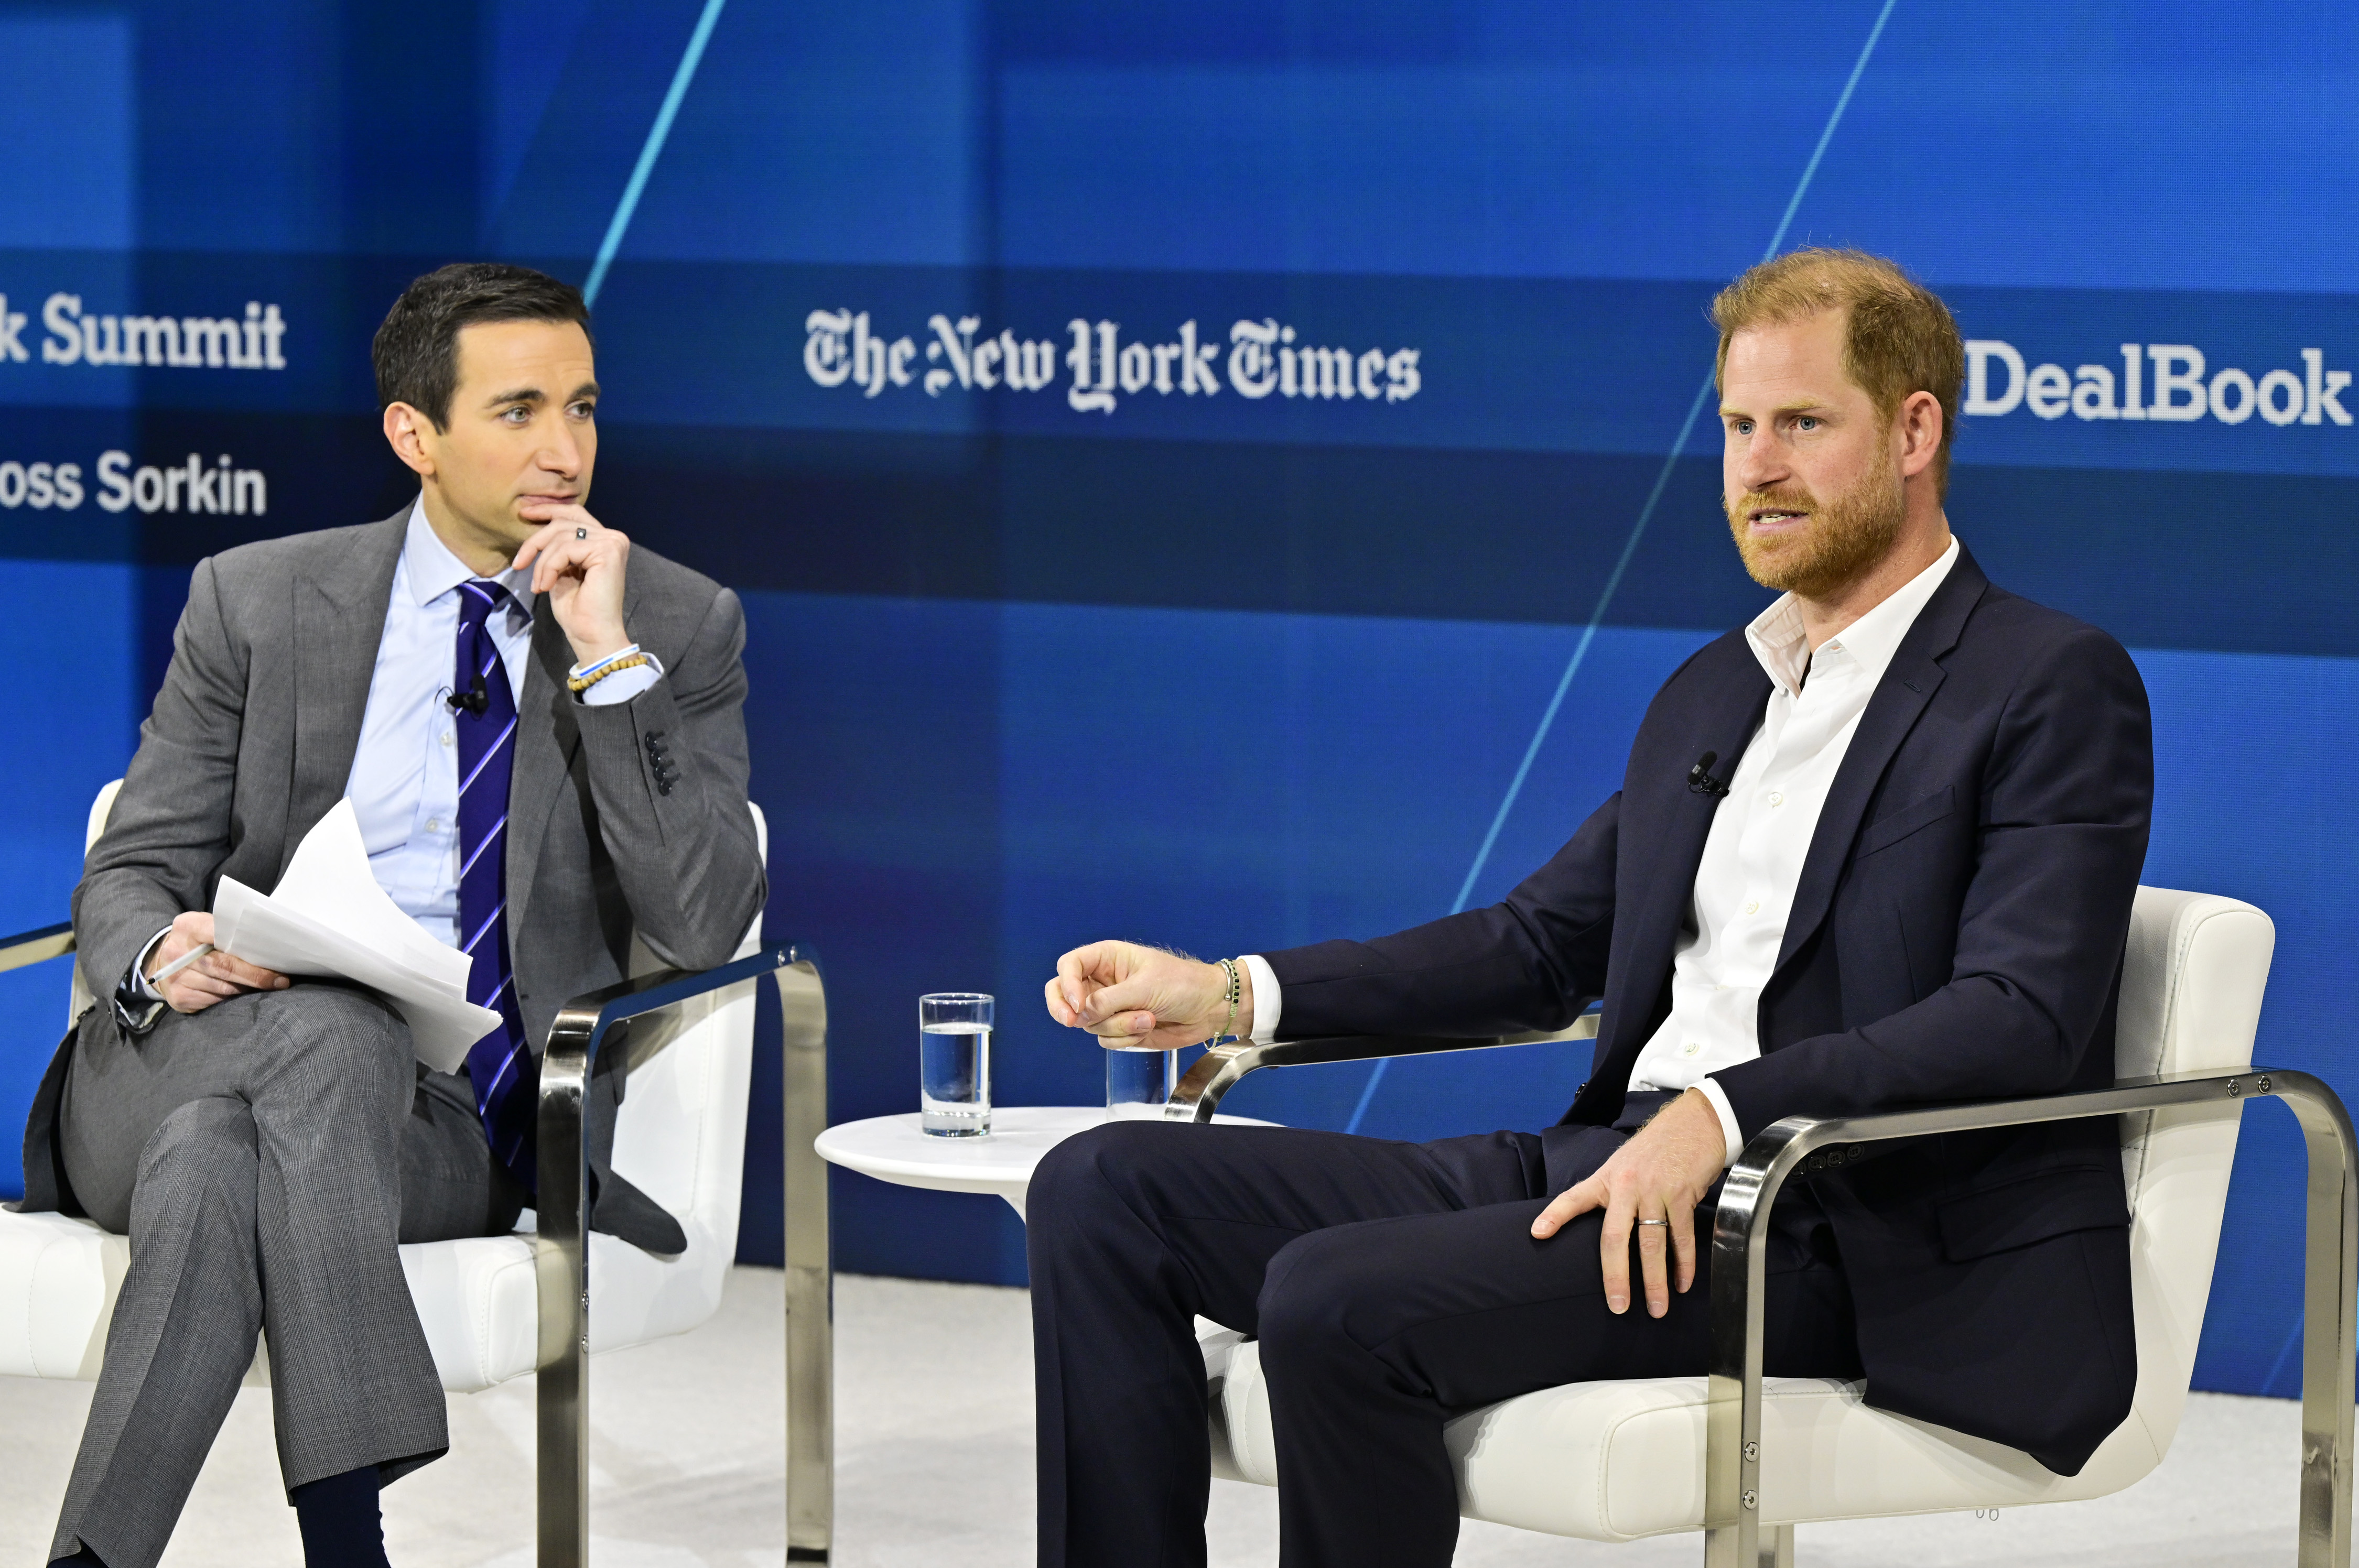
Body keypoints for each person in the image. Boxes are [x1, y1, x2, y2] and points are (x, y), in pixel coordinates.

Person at [1030, 249, 2152, 1568]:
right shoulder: (1716, 689)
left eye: (1802, 423)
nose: (1757, 466)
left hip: (1831, 1223)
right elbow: (1535, 944)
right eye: (1738, 425)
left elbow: (2020, 1015)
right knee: (1104, 1186)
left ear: (1915, 431)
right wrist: (1229, 991)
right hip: (1609, 1163)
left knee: (1332, 1296)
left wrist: (1726, 1111)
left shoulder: (2045, 680)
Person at [16, 263, 765, 1568]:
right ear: (413, 434)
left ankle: (89, 1561)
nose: (565, 448)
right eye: (520, 409)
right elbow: (134, 861)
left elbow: (702, 920)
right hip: (176, 1051)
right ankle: (348, 1541)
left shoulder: (675, 626)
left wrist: (605, 658)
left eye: (583, 408)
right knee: (316, 1041)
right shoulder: (257, 599)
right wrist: (155, 950)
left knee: (224, 1156)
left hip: (449, 1121)